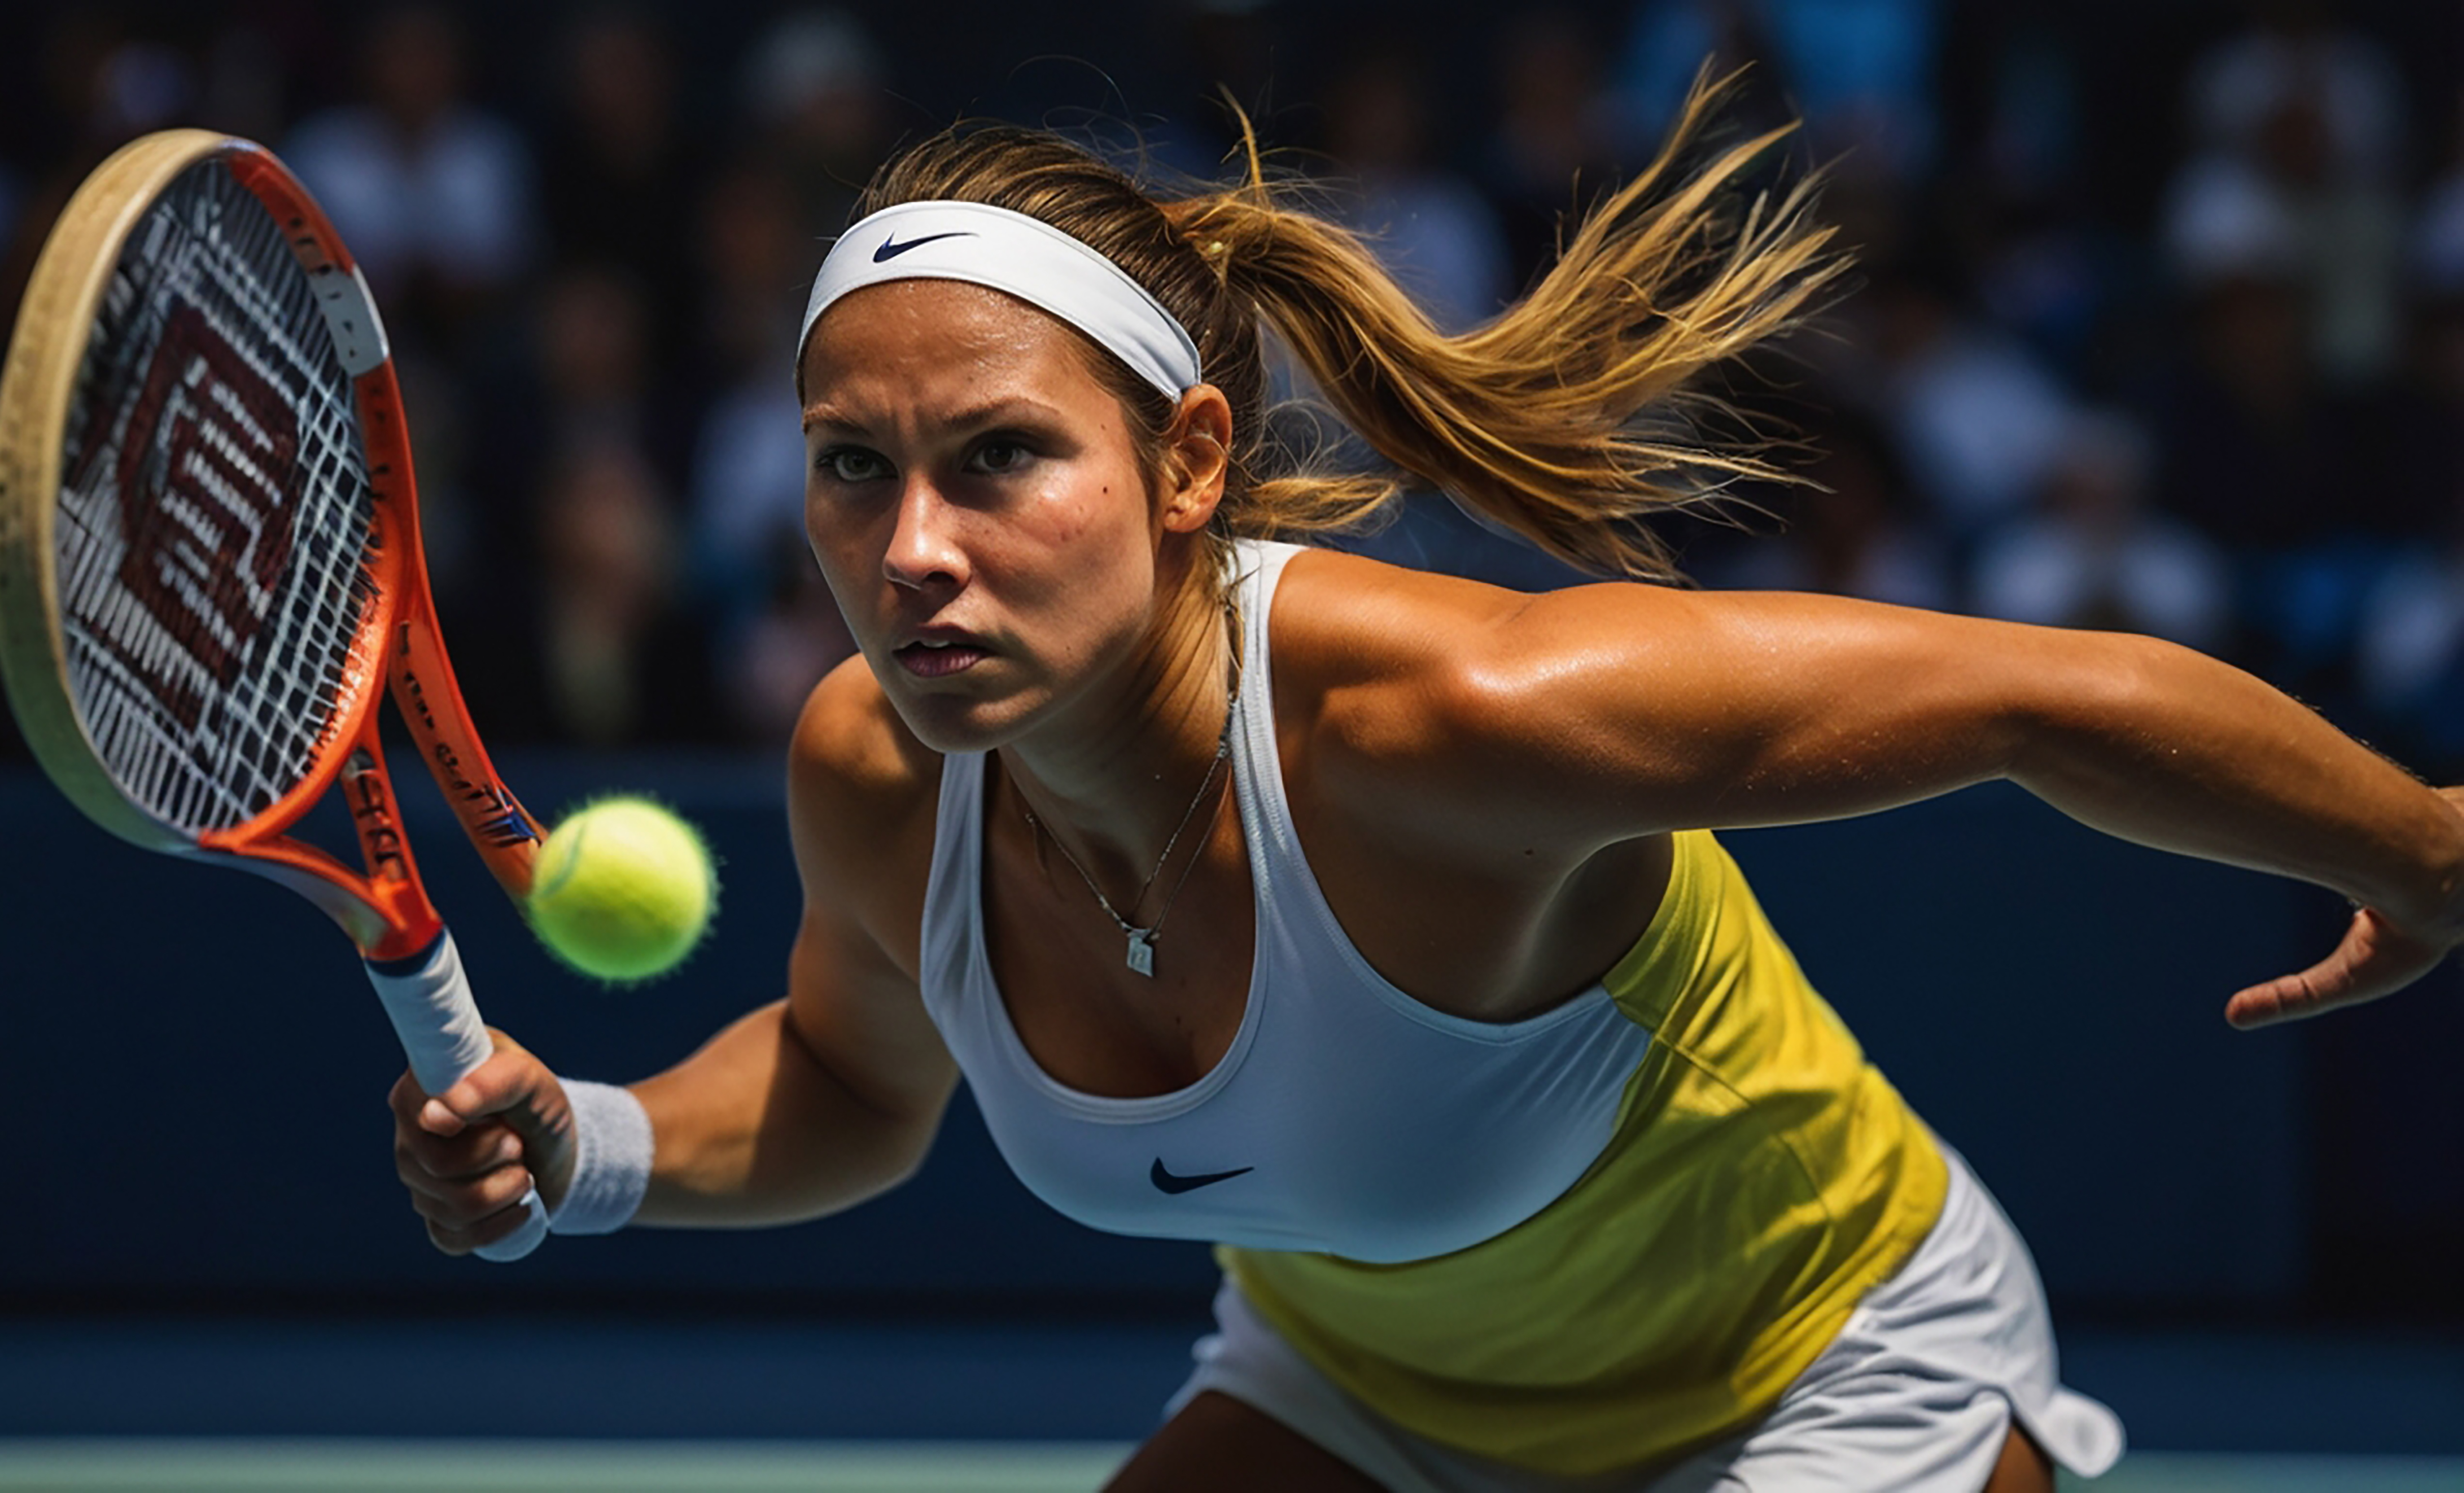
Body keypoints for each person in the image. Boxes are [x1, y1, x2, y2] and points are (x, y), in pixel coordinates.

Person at [388, 77, 2464, 1493]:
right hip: (1367, 1399)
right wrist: (592, 1140)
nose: (909, 547)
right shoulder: (873, 764)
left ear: (1188, 463)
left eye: (999, 457)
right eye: (854, 467)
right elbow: (855, 1080)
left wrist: (2432, 851)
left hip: (1816, 1376)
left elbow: (2047, 697)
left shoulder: (1456, 720)